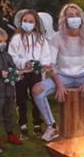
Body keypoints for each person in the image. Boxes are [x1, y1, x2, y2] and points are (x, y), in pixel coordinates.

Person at [32, 3, 84, 138]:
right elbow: (50, 64)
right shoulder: (57, 37)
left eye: (77, 15)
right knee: (37, 90)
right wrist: (59, 84)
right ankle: (52, 126)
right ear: (64, 18)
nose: (74, 18)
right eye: (70, 15)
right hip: (63, 76)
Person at [9, 9, 53, 140]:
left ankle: (37, 123)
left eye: (31, 21)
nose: (27, 23)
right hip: (21, 73)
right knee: (21, 98)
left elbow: (46, 55)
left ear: (36, 24)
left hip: (35, 73)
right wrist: (23, 63)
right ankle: (22, 124)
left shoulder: (40, 39)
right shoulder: (16, 39)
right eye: (25, 21)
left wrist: (41, 64)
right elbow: (12, 56)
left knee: (36, 97)